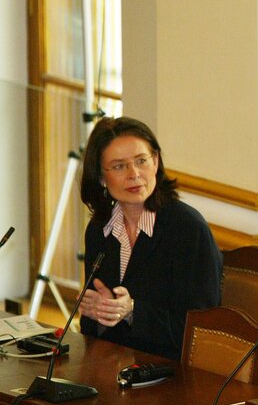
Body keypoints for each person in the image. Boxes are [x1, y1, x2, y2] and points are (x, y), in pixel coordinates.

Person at [78, 116, 222, 360]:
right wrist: (100, 313)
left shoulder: (187, 229)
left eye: (141, 161)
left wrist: (132, 311)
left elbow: (202, 331)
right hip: (116, 369)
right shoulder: (99, 230)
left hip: (173, 375)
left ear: (155, 162)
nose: (134, 174)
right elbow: (92, 331)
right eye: (119, 166)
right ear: (101, 177)